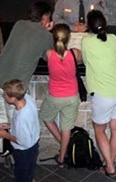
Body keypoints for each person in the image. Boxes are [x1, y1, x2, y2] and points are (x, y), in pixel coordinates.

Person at [0, 2, 54, 126]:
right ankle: (12, 145)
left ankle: (2, 144)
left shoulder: (19, 24)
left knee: (2, 122)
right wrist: (47, 32)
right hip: (13, 88)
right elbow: (48, 57)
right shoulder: (46, 36)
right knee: (16, 125)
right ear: (45, 18)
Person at [81, 10, 116, 177]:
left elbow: (86, 61)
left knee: (100, 130)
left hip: (103, 93)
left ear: (88, 27)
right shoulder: (113, 38)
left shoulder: (86, 41)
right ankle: (110, 163)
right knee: (115, 128)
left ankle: (110, 166)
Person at [39, 24, 82, 168]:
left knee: (46, 117)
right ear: (68, 38)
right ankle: (62, 158)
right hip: (72, 96)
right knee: (66, 128)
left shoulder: (49, 54)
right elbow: (80, 62)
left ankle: (63, 145)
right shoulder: (74, 53)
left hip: (55, 96)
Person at [0, 79, 40, 182]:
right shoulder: (28, 99)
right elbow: (29, 124)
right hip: (34, 145)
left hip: (24, 152)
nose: (3, 96)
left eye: (5, 95)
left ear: (13, 98)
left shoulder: (21, 117)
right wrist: (11, 126)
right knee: (30, 170)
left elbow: (24, 142)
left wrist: (5, 135)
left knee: (21, 175)